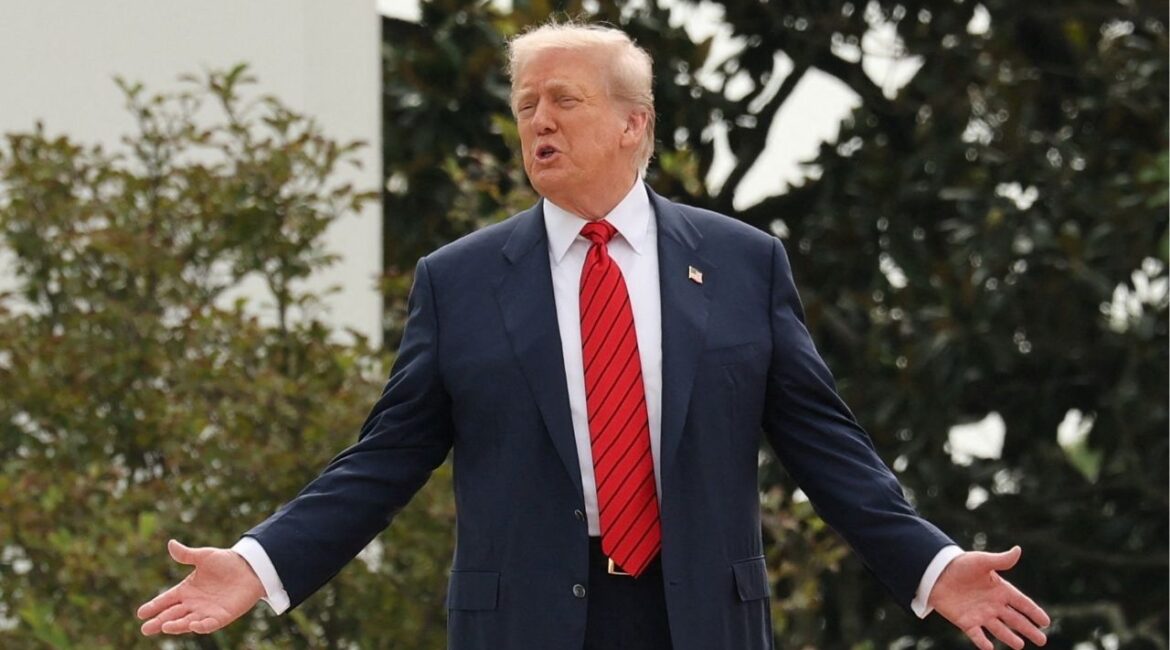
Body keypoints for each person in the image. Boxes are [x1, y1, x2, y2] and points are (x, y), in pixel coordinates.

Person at [137, 21, 1050, 650]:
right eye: (527, 103)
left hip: (700, 617)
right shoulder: (458, 281)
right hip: (525, 618)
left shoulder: (742, 264)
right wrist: (259, 565)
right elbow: (383, 460)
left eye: (563, 101)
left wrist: (933, 566)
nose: (538, 120)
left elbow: (827, 447)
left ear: (632, 123)